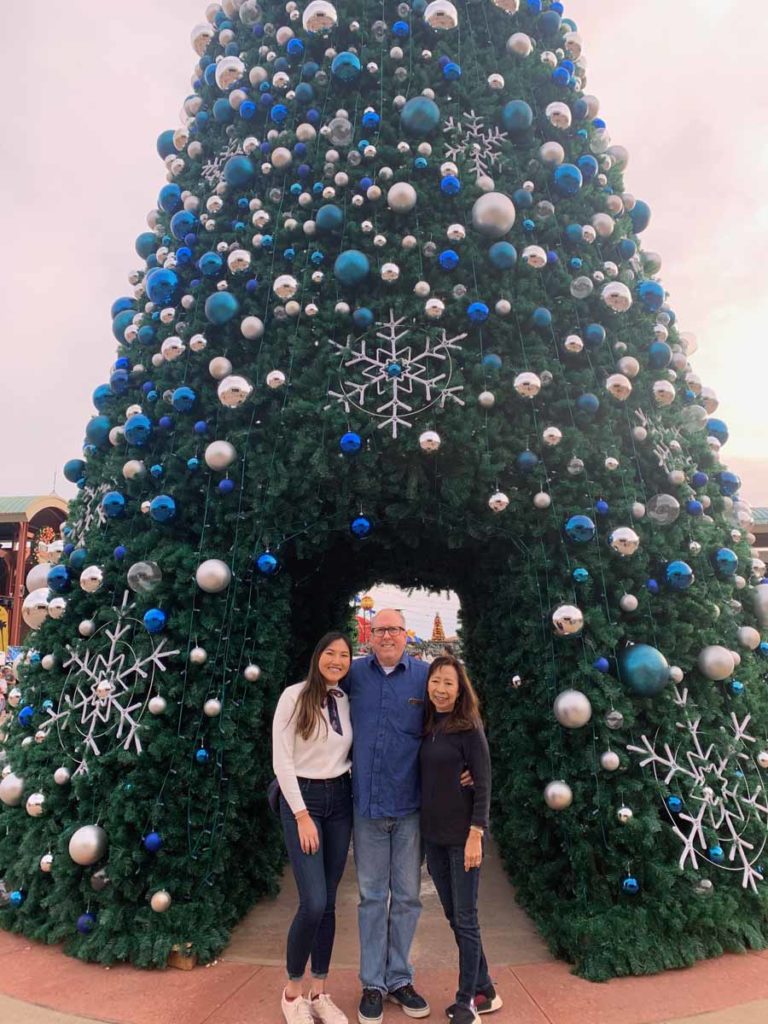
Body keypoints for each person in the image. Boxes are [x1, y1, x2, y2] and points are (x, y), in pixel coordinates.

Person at [344, 608, 431, 1023]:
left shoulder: (425, 677)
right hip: (368, 808)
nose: (387, 636)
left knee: (409, 898)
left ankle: (400, 978)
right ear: (370, 636)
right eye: (379, 630)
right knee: (372, 898)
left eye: (394, 629)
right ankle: (372, 984)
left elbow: (454, 720)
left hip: (411, 808)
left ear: (406, 634)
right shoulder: (353, 675)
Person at [272, 632, 354, 1024]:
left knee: (331, 901)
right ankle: (292, 993)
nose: (337, 661)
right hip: (303, 801)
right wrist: (302, 814)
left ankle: (319, 990)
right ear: (317, 656)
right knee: (313, 901)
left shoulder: (346, 700)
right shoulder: (294, 696)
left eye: (344, 655)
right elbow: (282, 760)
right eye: (330, 653)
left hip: (340, 801)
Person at [420, 656, 501, 1023]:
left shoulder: (469, 727)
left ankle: (467, 999)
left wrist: (476, 834)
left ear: (460, 688)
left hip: (463, 837)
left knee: (466, 919)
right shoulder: (427, 724)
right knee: (455, 917)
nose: (441, 689)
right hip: (434, 838)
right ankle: (486, 988)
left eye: (448, 683)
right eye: (436, 681)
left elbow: (482, 783)